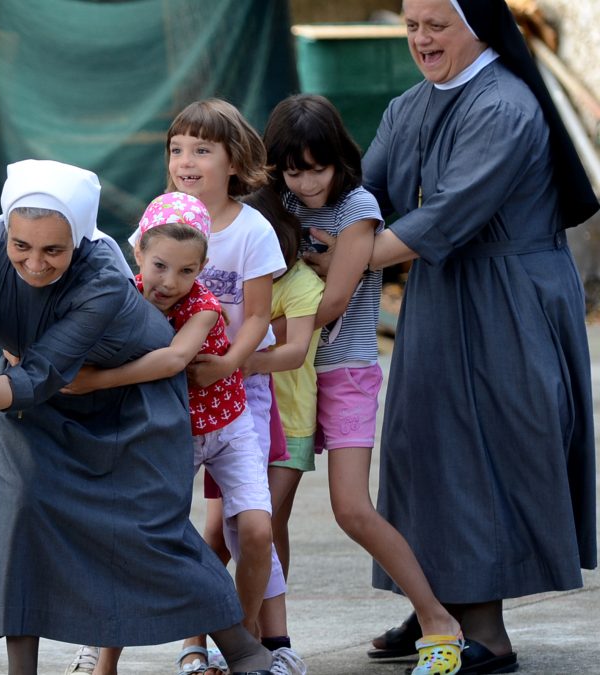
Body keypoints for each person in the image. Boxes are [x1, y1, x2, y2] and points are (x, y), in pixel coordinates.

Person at [0, 159, 276, 675]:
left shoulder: (102, 274)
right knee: (18, 524)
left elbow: (41, 374)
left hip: (132, 408)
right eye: (22, 246)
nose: (35, 264)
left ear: (78, 240)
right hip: (25, 408)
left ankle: (242, 649)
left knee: (146, 533)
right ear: (5, 230)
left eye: (52, 250)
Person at [308, 1, 597, 673]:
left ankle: (487, 632)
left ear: (477, 24)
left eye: (436, 23)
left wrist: (347, 259)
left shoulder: (505, 106)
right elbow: (366, 191)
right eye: (411, 24)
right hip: (443, 297)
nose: (420, 38)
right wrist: (299, 222)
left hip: (510, 298)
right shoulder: (409, 106)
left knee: (486, 452)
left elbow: (448, 214)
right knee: (422, 444)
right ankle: (432, 599)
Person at [264, 92, 465, 675]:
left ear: (340, 160)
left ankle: (436, 618)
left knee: (352, 509)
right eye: (293, 171)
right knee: (267, 513)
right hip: (288, 378)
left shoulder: (358, 208)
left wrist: (249, 337)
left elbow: (331, 305)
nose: (305, 184)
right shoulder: (273, 203)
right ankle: (267, 637)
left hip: (344, 371)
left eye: (317, 169)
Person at [61, 192, 302, 675]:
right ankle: (103, 655)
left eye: (187, 271)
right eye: (160, 266)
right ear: (138, 256)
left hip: (229, 426)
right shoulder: (117, 301)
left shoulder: (205, 307)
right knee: (133, 534)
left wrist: (93, 380)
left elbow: (171, 361)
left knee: (256, 530)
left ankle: (244, 646)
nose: (170, 282)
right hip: (168, 435)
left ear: (203, 267)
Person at [154, 99, 296, 675]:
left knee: (247, 526)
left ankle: (245, 643)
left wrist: (229, 366)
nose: (186, 160)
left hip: (239, 396)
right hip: (172, 398)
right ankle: (190, 645)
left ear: (235, 161)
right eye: (177, 149)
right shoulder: (160, 214)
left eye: (202, 150)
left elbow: (260, 317)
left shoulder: (253, 229)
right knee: (172, 525)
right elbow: (138, 296)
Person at [240, 188, 322, 595]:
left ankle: (261, 631)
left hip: (290, 425)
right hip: (240, 421)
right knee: (238, 529)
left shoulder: (301, 282)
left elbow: (294, 351)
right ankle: (205, 637)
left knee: (265, 524)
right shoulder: (231, 276)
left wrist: (243, 360)